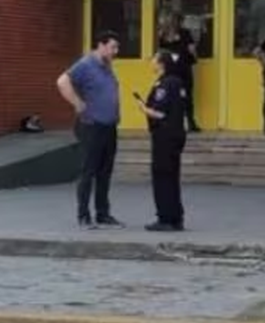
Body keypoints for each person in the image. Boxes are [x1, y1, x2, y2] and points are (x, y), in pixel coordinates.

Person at [56, 30, 124, 229]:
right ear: (101, 45)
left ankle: (103, 214)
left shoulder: (107, 66)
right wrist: (77, 103)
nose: (115, 51)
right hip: (91, 126)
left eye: (117, 48)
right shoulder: (86, 64)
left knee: (105, 172)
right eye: (112, 47)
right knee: (89, 171)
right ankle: (83, 215)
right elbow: (62, 81)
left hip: (109, 126)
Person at [136, 50, 187, 232]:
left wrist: (144, 108)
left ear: (161, 63)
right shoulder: (178, 82)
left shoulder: (165, 84)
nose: (151, 62)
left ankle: (165, 218)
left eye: (154, 59)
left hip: (164, 136)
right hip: (177, 134)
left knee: (162, 176)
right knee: (172, 176)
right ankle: (176, 217)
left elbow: (160, 113)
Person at [157, 11, 200, 132]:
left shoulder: (163, 34)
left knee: (170, 96)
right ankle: (190, 123)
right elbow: (191, 49)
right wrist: (195, 57)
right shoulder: (185, 33)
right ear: (180, 21)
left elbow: (161, 52)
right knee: (187, 97)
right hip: (183, 68)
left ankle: (170, 123)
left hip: (169, 69)